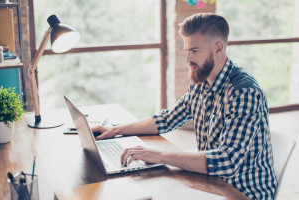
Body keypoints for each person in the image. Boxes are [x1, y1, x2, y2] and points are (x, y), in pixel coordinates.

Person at [91, 13, 277, 200]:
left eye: (195, 51)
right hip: (211, 182)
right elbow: (168, 119)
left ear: (218, 48)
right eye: (186, 50)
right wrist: (115, 130)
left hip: (242, 193)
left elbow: (226, 160)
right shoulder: (201, 82)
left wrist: (160, 155)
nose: (187, 59)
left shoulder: (244, 92)